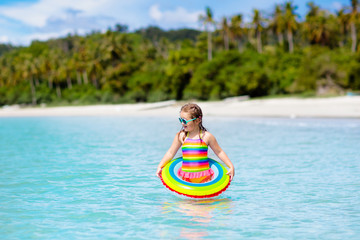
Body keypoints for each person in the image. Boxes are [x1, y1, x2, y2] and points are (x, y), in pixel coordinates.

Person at [156, 103, 235, 183]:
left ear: (197, 120)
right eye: (180, 120)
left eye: (185, 121)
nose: (182, 123)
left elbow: (219, 152)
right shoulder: (181, 136)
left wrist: (231, 166)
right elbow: (170, 152)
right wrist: (160, 166)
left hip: (204, 177)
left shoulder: (206, 137)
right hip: (186, 177)